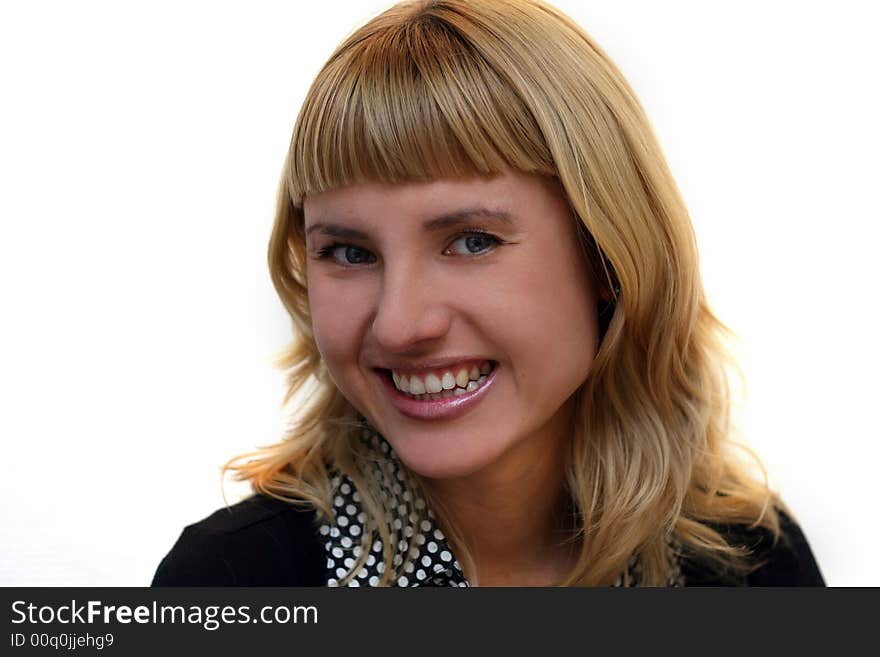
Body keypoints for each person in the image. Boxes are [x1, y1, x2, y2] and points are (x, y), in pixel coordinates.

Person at [152, 0, 824, 587]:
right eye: (350, 253)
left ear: (609, 253)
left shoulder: (751, 565)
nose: (399, 324)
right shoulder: (234, 584)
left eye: (471, 241)